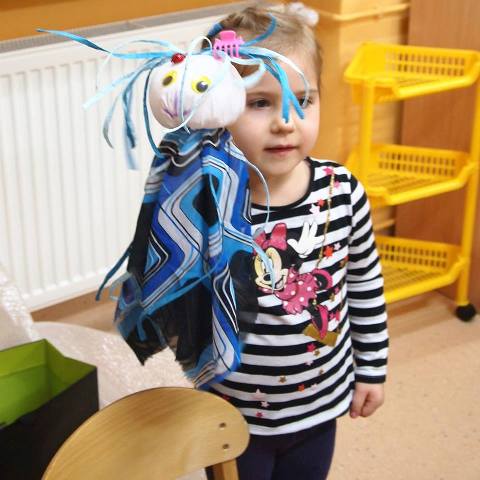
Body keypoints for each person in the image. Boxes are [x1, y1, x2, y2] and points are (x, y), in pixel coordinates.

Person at [204, 5, 389, 480]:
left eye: (302, 99)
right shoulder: (207, 200)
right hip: (232, 411)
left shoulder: (343, 192)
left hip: (320, 405)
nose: (286, 121)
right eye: (259, 103)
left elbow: (365, 286)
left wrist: (371, 368)